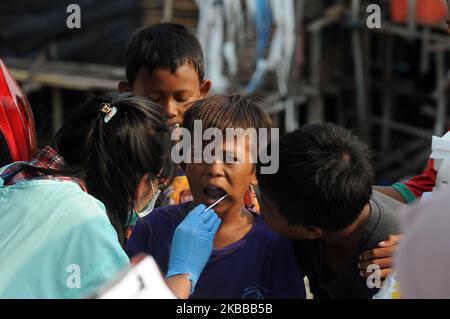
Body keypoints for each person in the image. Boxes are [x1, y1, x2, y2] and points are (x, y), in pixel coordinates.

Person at [0, 93, 220, 299]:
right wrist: (182, 276)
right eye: (158, 182)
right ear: (142, 182)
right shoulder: (86, 223)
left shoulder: (12, 174)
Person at [126, 95, 306, 299]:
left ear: (255, 172)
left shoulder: (274, 244)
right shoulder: (153, 229)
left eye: (230, 158)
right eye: (201, 154)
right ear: (183, 163)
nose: (214, 169)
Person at [118, 23, 260, 214]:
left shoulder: (215, 155)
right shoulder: (118, 156)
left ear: (203, 92)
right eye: (153, 99)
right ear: (127, 94)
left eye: (182, 99)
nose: (169, 110)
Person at [256, 123, 404, 298]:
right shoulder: (322, 205)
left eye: (264, 205)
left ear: (312, 231)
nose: (256, 203)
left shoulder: (395, 265)